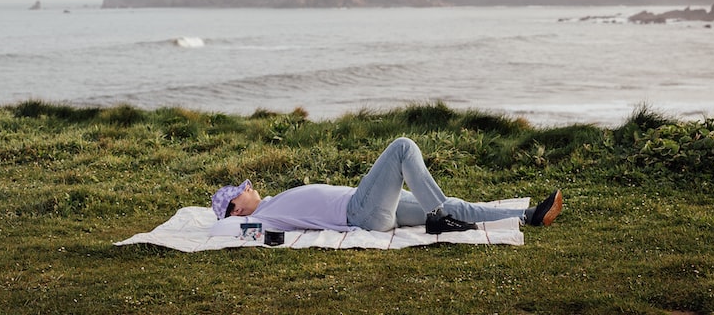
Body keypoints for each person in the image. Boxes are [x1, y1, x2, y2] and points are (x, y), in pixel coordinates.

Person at [210, 136, 562, 234]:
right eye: (242, 189)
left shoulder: (271, 203)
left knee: (444, 202)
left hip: (372, 208)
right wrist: (229, 219)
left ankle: (528, 215)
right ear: (236, 206)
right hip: (361, 212)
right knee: (402, 147)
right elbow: (224, 232)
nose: (250, 187)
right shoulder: (260, 219)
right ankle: (438, 216)